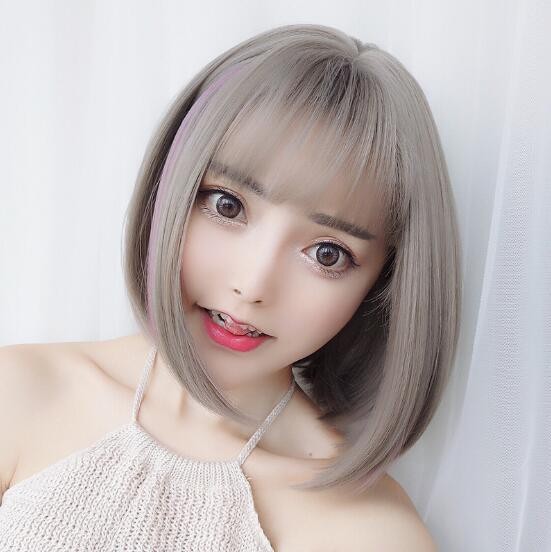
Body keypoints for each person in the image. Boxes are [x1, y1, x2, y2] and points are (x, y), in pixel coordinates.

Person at [0, 23, 461, 551]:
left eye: (327, 254)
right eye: (227, 205)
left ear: (383, 287)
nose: (252, 285)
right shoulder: (20, 393)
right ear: (170, 186)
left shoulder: (370, 533)